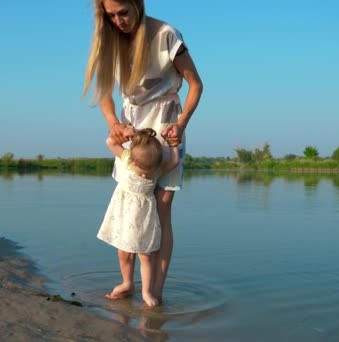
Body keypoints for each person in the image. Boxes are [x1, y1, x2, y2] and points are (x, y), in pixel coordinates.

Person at [83, 0, 203, 302]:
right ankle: (128, 283)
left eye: (123, 12)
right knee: (130, 205)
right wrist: (113, 124)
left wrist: (182, 123)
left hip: (166, 129)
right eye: (110, 16)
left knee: (161, 212)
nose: (118, 20)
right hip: (132, 130)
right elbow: (105, 94)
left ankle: (154, 292)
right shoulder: (110, 39)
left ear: (137, 4)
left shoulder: (165, 35)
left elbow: (195, 84)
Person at [97, 128, 179, 307]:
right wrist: (127, 134)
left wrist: (173, 146)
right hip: (123, 215)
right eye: (142, 170)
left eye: (149, 172)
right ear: (133, 160)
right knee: (123, 252)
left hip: (144, 220)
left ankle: (147, 292)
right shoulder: (126, 158)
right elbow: (110, 142)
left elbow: (173, 162)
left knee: (145, 255)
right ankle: (127, 282)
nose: (145, 175)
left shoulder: (156, 168)